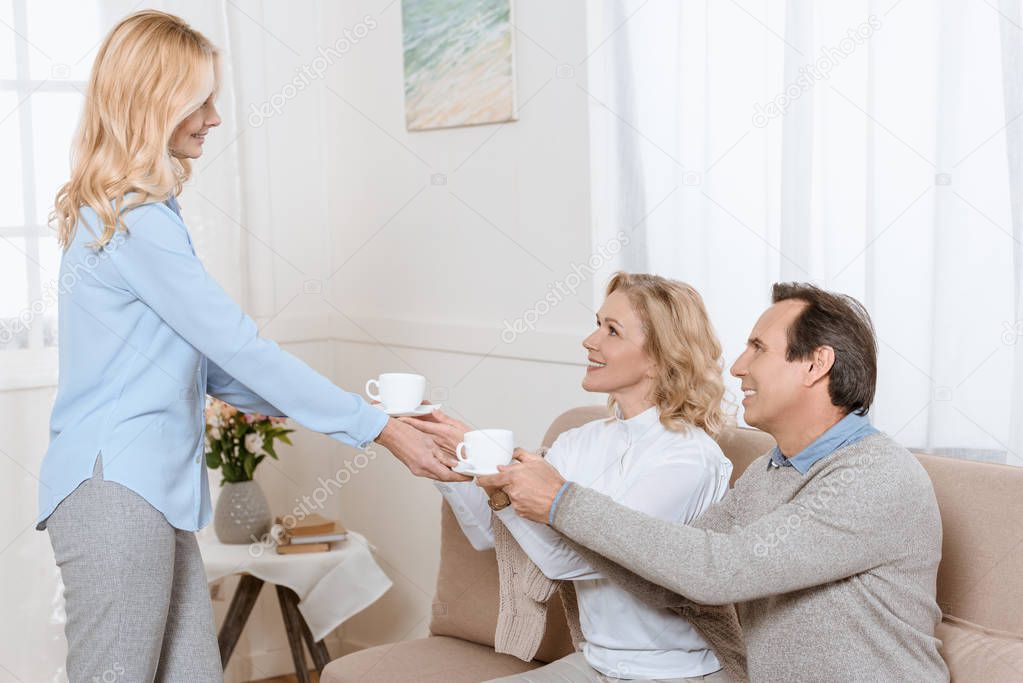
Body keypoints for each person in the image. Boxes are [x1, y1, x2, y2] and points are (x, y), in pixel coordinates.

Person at [38, 11, 464, 682]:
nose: (213, 117)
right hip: (115, 492)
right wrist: (377, 426)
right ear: (155, 102)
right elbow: (236, 345)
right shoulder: (135, 220)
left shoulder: (139, 212)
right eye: (199, 99)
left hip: (147, 494)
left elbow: (210, 367)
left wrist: (369, 414)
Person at [485, 283, 950, 682]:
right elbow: (673, 583)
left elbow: (720, 571)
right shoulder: (772, 470)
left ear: (815, 365)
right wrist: (531, 500)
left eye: (759, 348)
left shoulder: (874, 477)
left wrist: (562, 501)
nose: (737, 367)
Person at [404, 273, 739, 682]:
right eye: (598, 324)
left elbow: (572, 561)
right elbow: (490, 535)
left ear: (659, 357)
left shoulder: (688, 461)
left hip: (676, 672)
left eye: (612, 331)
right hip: (598, 662)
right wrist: (450, 461)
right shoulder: (581, 441)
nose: (590, 340)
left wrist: (502, 484)